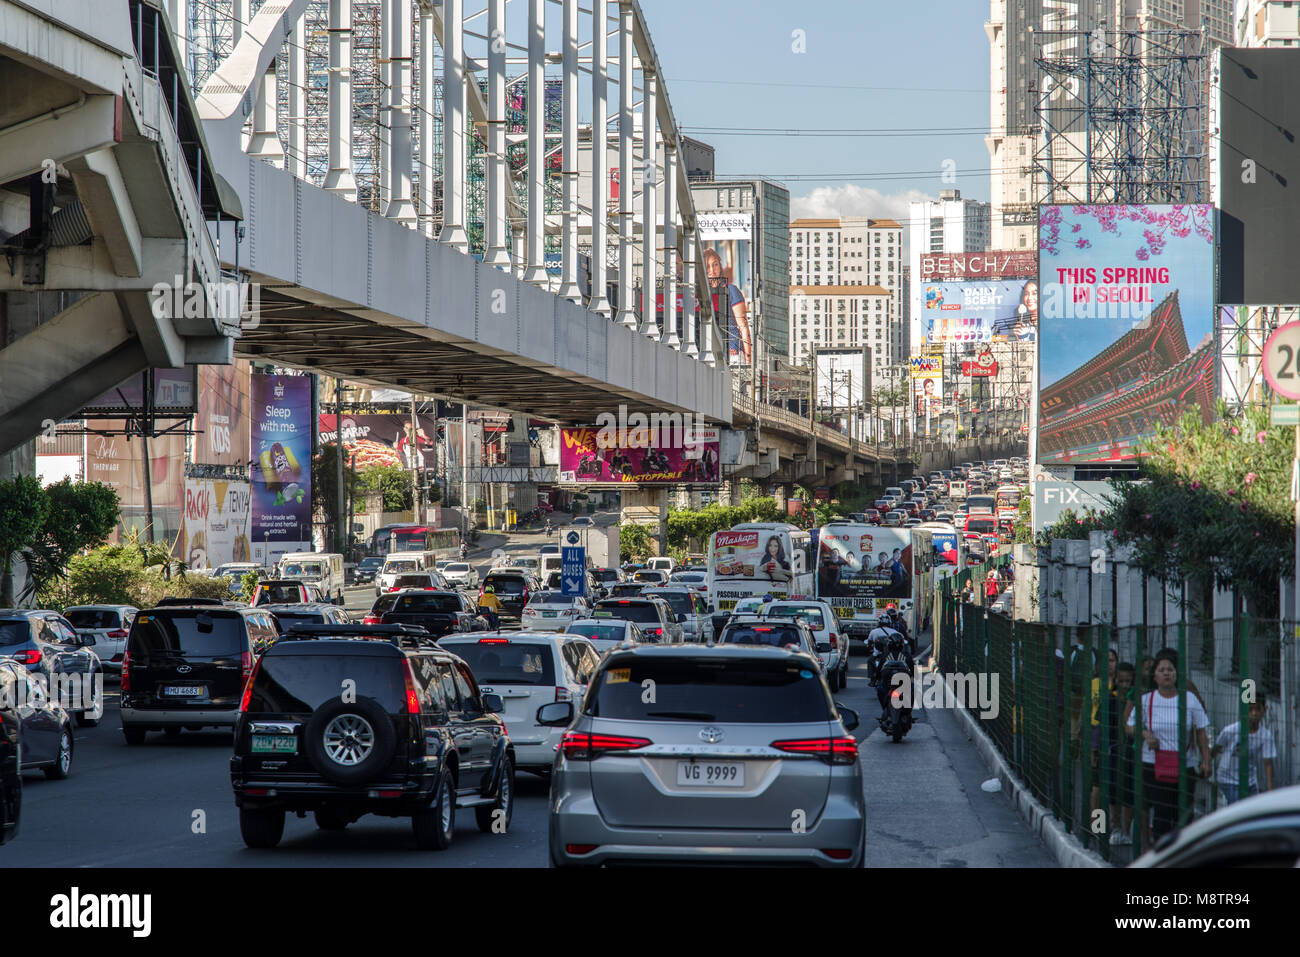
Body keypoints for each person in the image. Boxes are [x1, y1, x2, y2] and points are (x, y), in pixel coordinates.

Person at [1125, 649, 1211, 844]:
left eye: (1170, 669)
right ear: (1154, 676)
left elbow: (1201, 732)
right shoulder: (1147, 700)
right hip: (1153, 765)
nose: (1166, 673)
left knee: (1184, 815)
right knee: (1162, 813)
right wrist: (1145, 734)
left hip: (1184, 765)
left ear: (1176, 674)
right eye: (1162, 670)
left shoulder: (1189, 699)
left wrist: (1206, 760)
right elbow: (1129, 726)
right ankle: (1162, 855)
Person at [1212, 697, 1276, 806]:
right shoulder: (1230, 731)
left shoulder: (1266, 736)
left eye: (1258, 709)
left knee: (1254, 810)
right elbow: (1216, 749)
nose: (1254, 713)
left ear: (1264, 710)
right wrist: (1206, 763)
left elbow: (1268, 764)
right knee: (1239, 807)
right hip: (1228, 779)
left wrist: (1270, 791)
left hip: (1249, 780)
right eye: (1250, 710)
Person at [704, 246, 751, 365]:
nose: (712, 270)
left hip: (732, 352)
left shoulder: (731, 290)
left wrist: (748, 358)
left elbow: (743, 326)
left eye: (715, 264)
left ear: (720, 266)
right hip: (706, 351)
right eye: (707, 266)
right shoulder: (700, 293)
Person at [876, 633, 915, 722]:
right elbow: (913, 669)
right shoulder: (906, 655)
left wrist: (876, 679)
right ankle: (907, 712)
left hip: (890, 685)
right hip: (900, 685)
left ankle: (888, 709)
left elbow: (879, 670)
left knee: (879, 689)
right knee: (912, 689)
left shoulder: (886, 655)